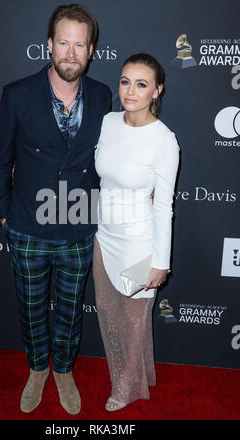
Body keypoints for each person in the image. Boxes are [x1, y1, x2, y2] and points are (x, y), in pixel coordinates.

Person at [0, 4, 111, 415]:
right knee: (30, 308)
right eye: (64, 42)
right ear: (49, 45)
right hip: (27, 227)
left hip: (77, 226)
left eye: (80, 44)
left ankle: (63, 370)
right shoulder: (18, 93)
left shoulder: (101, 95)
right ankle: (37, 368)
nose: (71, 53)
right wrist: (5, 215)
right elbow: (0, 159)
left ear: (91, 50)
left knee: (71, 311)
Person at [93, 53, 179, 411]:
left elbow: (163, 206)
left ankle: (126, 386)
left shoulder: (164, 141)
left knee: (133, 320)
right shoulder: (109, 121)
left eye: (141, 84)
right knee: (107, 310)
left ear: (156, 91)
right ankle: (143, 372)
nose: (130, 91)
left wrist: (160, 262)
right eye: (125, 81)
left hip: (138, 243)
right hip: (104, 235)